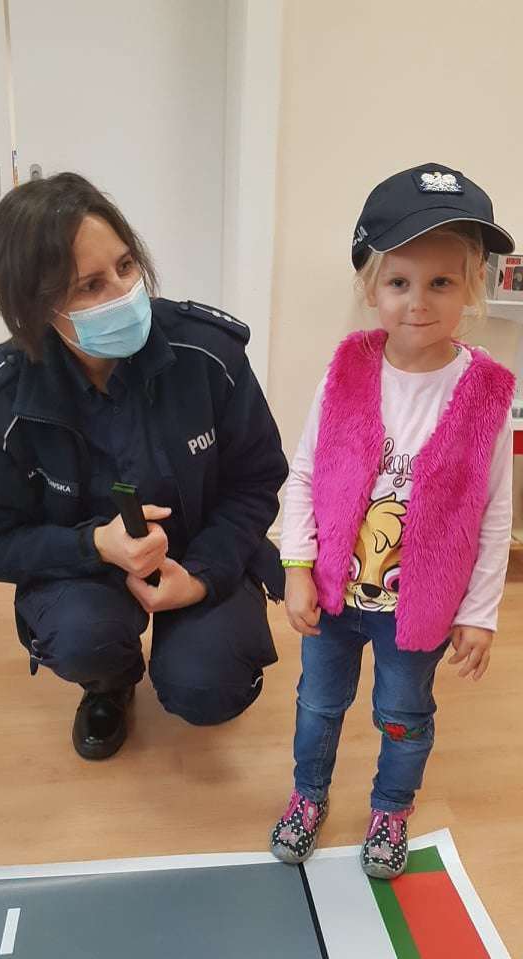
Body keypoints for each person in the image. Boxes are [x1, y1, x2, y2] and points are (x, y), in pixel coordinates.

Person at [270, 163, 515, 878]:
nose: (418, 302)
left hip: (419, 606)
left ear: (471, 287)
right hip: (334, 597)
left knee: (404, 715)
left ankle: (391, 809)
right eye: (400, 282)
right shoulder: (347, 369)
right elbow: (305, 472)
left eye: (441, 282)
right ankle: (308, 795)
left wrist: (480, 612)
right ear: (371, 286)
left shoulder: (485, 392)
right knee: (318, 704)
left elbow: (494, 515)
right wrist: (296, 565)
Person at [0, 172, 288, 760]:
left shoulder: (209, 354)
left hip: (203, 547)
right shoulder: (7, 400)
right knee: (83, 636)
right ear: (36, 308)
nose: (124, 294)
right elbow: (1, 538)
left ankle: (190, 653)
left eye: (126, 266)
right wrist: (93, 546)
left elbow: (257, 479)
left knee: (210, 684)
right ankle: (109, 683)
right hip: (84, 572)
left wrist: (202, 576)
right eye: (90, 286)